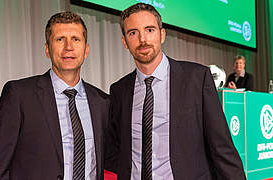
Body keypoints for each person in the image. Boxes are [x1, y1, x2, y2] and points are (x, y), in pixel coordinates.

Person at [104, 3, 246, 180]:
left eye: (149, 30)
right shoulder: (119, 90)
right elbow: (114, 150)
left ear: (162, 35)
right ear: (125, 41)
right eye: (133, 32)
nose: (142, 39)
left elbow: (222, 148)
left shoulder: (197, 78)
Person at [0, 11, 109, 180]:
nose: (68, 47)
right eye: (60, 39)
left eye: (76, 39)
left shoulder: (103, 102)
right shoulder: (19, 95)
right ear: (47, 49)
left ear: (86, 50)